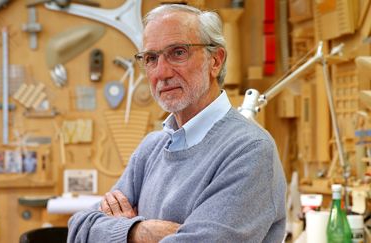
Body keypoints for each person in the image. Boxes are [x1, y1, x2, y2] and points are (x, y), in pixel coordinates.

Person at [67, 4, 286, 243]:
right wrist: (139, 231)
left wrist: (116, 231)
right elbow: (79, 230)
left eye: (178, 52)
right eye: (151, 58)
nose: (162, 72)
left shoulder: (250, 150)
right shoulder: (152, 147)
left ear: (215, 60)